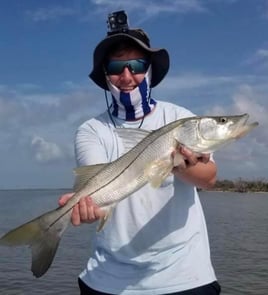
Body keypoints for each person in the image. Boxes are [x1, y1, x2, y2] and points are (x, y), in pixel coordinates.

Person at [59, 10, 221, 295]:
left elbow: (209, 179)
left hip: (186, 275)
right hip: (108, 280)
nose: (126, 75)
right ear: (105, 75)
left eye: (136, 64)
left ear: (149, 69)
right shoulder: (91, 129)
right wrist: (86, 206)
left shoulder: (181, 118)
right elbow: (98, 185)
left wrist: (178, 163)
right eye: (115, 67)